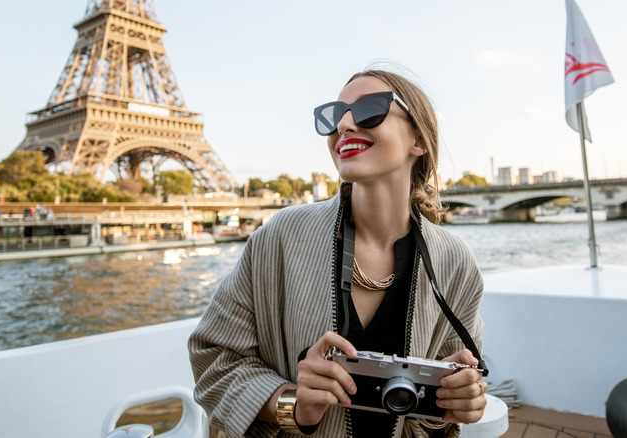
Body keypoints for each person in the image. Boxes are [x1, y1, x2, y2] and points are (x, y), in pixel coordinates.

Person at [188, 68, 487, 437]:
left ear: (419, 140)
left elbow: (447, 396)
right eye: (333, 115)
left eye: (369, 109)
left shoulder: (456, 263)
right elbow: (213, 359)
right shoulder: (280, 237)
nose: (343, 125)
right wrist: (294, 404)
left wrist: (456, 403)